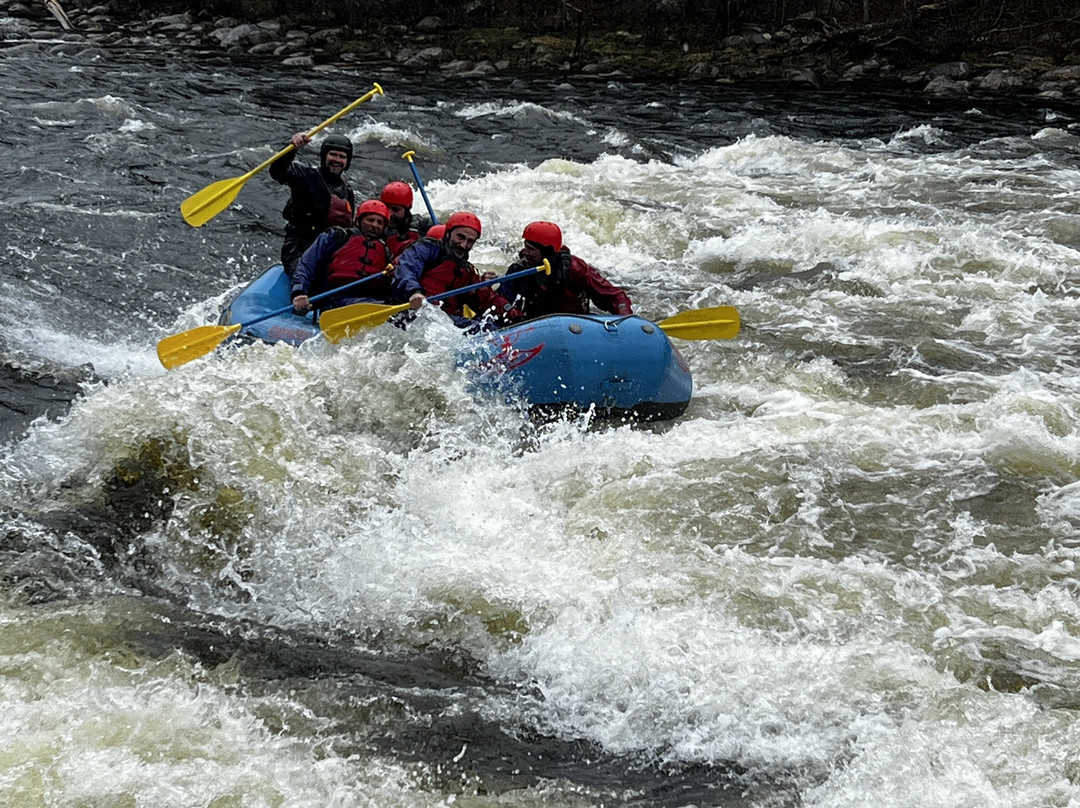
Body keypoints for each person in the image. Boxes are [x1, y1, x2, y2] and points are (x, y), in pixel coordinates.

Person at [390, 211, 520, 330]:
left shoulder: (467, 270)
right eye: (460, 237)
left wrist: (510, 311)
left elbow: (485, 302)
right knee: (478, 330)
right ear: (448, 233)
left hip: (448, 321)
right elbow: (406, 269)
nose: (464, 245)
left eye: (470, 241)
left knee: (490, 326)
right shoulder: (426, 249)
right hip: (416, 313)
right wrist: (414, 292)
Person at [498, 221, 633, 320]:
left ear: (547, 251)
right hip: (534, 325)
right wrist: (516, 317)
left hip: (576, 326)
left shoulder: (574, 268)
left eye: (531, 249)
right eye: (525, 247)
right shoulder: (519, 270)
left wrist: (624, 318)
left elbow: (615, 296)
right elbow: (499, 302)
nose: (525, 253)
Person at [269, 131, 357, 278]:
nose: (337, 160)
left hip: (329, 252)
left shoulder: (347, 192)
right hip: (299, 249)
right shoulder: (305, 176)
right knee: (306, 279)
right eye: (333, 154)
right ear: (324, 156)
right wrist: (292, 148)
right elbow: (277, 171)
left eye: (342, 157)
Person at [290, 199, 392, 314]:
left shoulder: (386, 251)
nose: (375, 225)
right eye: (370, 220)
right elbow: (307, 264)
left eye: (380, 222)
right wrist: (299, 292)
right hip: (333, 299)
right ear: (358, 221)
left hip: (370, 301)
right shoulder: (336, 237)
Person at [380, 180, 426, 257]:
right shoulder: (375, 226)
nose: (390, 214)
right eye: (386, 208)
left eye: (395, 209)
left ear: (408, 209)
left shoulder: (421, 227)